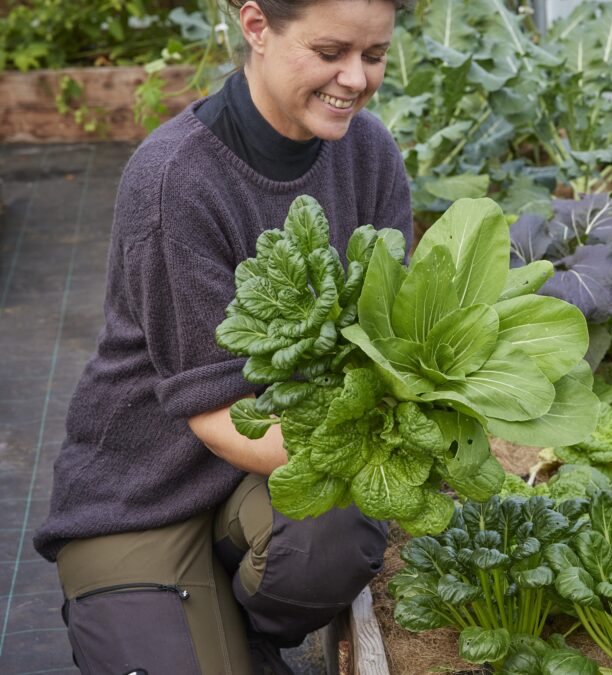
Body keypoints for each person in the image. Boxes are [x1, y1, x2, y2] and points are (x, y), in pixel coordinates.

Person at [33, 0, 413, 672]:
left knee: (341, 524)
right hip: (143, 494)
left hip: (262, 484)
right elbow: (216, 416)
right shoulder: (176, 177)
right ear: (257, 26)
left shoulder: (370, 153)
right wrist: (376, 453)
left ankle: (242, 620)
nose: (355, 78)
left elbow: (393, 336)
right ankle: (199, 627)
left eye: (374, 55)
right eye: (330, 53)